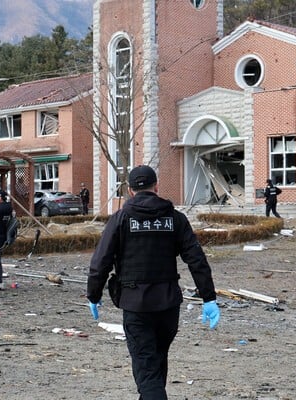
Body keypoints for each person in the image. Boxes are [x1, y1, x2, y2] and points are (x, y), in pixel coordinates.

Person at [87, 165, 220, 400]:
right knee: (156, 364)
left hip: (136, 304)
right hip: (168, 306)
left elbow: (101, 261)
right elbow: (196, 258)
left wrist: (93, 295)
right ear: (156, 186)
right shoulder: (175, 219)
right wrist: (208, 297)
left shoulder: (121, 219)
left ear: (130, 191)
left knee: (147, 372)